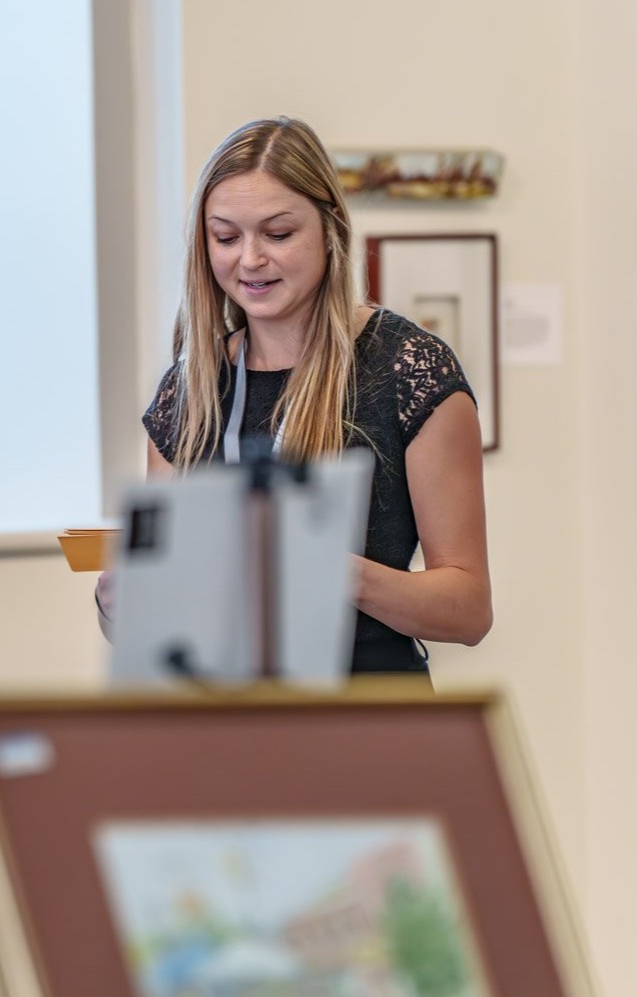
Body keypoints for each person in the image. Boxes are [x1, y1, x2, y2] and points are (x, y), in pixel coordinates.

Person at [98, 116, 491, 674]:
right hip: (224, 722)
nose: (250, 259)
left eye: (278, 234)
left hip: (364, 720)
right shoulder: (191, 386)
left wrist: (332, 569)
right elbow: (157, 624)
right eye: (226, 237)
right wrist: (122, 604)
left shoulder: (407, 370)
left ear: (330, 229)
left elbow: (469, 610)